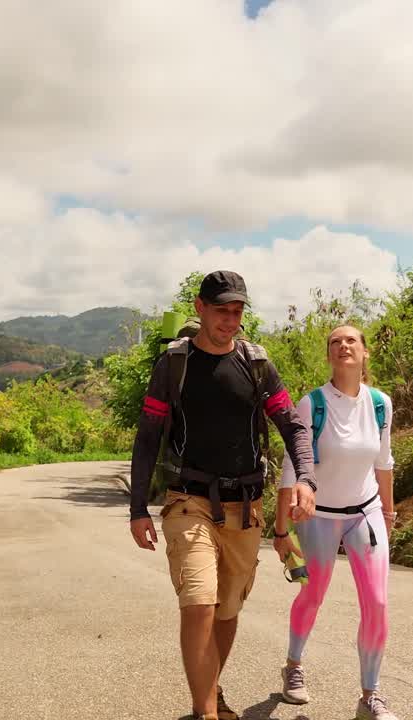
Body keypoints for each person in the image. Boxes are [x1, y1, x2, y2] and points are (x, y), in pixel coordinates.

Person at [128, 270, 317, 720]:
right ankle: (205, 712)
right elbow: (148, 436)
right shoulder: (174, 365)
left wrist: (306, 478)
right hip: (188, 501)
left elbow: (290, 423)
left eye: (237, 312)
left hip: (245, 508)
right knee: (199, 603)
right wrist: (138, 508)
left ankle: (210, 690)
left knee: (227, 611)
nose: (230, 320)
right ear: (199, 308)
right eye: (221, 311)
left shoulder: (256, 364)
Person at [273, 325, 400, 720]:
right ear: (328, 355)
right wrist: (281, 531)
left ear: (365, 353)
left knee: (377, 603)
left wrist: (390, 512)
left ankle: (370, 695)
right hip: (318, 515)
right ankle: (293, 667)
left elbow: (384, 463)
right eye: (334, 342)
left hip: (367, 511)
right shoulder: (312, 404)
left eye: (351, 341)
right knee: (313, 593)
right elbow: (290, 469)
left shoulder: (381, 403)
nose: (343, 346)